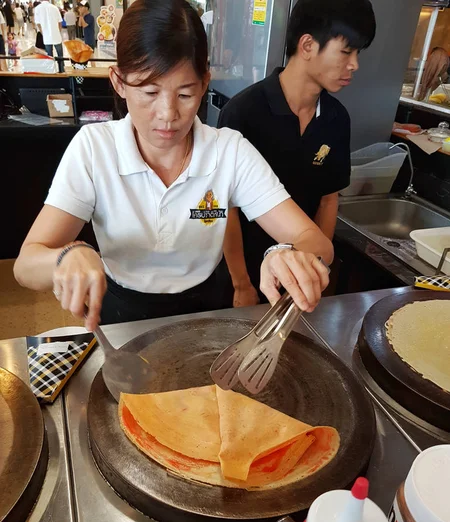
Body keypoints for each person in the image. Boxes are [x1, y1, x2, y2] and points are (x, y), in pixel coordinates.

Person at [14, 0, 332, 332]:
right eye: (149, 92)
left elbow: (317, 242)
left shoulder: (228, 150)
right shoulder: (94, 149)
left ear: (204, 83)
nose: (168, 114)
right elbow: (26, 266)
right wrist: (65, 257)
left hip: (207, 308)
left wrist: (289, 253)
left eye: (185, 94)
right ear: (119, 82)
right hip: (121, 309)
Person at [218, 0, 376, 307]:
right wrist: (241, 284)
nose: (355, 64)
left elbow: (329, 199)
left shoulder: (336, 119)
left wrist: (316, 267)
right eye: (346, 51)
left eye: (358, 53)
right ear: (307, 45)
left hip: (299, 281)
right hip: (243, 277)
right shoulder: (243, 112)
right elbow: (226, 210)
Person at [34, 0, 64, 72]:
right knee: (60, 55)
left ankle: (51, 71)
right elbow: (60, 22)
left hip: (46, 36)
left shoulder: (37, 9)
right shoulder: (54, 8)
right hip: (56, 35)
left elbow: (38, 23)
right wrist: (58, 31)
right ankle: (62, 70)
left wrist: (42, 32)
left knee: (49, 56)